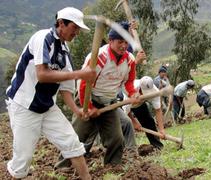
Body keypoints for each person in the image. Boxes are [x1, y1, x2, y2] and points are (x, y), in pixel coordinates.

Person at [5, 7, 95, 179]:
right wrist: (80, 74)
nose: (76, 32)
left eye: (78, 29)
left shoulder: (64, 51)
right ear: (61, 23)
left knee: (72, 144)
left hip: (47, 107)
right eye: (74, 27)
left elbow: (66, 88)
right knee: (22, 162)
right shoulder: (42, 38)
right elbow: (43, 74)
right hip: (24, 105)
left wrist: (77, 111)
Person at [62, 21, 145, 167]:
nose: (124, 46)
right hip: (88, 97)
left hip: (109, 102)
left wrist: (133, 93)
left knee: (116, 138)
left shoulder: (130, 60)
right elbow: (83, 84)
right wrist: (88, 106)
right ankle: (63, 167)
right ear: (111, 40)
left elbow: (129, 82)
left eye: (126, 42)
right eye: (120, 42)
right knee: (78, 137)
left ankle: (112, 168)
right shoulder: (99, 58)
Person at [123, 76, 166, 149]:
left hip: (139, 104)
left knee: (149, 122)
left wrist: (161, 129)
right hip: (124, 103)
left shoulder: (155, 92)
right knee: (126, 125)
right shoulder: (130, 89)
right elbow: (126, 111)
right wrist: (134, 122)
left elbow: (158, 110)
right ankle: (127, 149)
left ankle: (157, 147)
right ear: (140, 88)